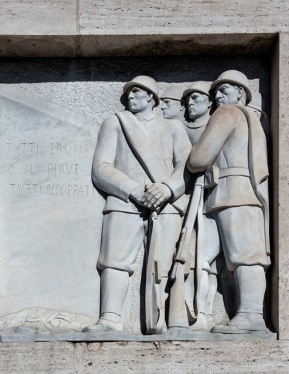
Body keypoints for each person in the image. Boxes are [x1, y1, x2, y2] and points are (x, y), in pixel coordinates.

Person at [84, 76, 191, 333]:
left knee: (163, 265)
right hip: (124, 201)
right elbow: (101, 168)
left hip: (165, 205)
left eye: (137, 92)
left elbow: (187, 167)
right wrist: (134, 190)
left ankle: (162, 319)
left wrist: (166, 189)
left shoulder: (174, 128)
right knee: (113, 261)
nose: (130, 96)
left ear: (151, 98)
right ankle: (109, 318)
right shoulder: (116, 123)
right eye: (129, 93)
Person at [187, 70, 270, 334]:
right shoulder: (252, 119)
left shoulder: (228, 113)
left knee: (245, 256)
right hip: (235, 194)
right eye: (216, 92)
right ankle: (201, 315)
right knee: (206, 257)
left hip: (233, 193)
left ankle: (251, 316)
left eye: (225, 90)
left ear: (241, 94)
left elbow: (198, 159)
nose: (218, 96)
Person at [171, 81, 220, 331]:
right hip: (186, 203)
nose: (190, 103)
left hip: (212, 202)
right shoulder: (180, 128)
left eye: (196, 98)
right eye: (187, 99)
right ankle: (190, 310)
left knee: (206, 258)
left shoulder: (216, 125)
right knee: (189, 258)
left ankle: (203, 312)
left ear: (209, 102)